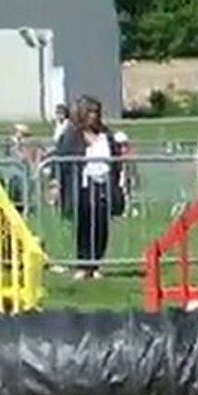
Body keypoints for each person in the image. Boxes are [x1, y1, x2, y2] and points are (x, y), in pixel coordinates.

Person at [54, 95, 124, 280]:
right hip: (83, 186)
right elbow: (61, 160)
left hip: (104, 185)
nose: (93, 116)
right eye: (90, 112)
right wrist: (56, 185)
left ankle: (96, 264)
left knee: (101, 225)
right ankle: (83, 264)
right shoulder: (72, 135)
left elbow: (116, 159)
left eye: (96, 112)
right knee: (85, 226)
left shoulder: (106, 135)